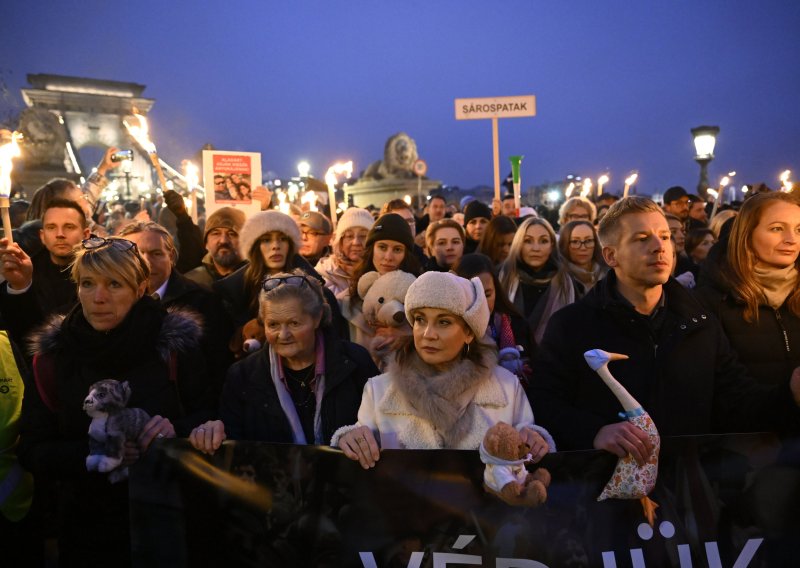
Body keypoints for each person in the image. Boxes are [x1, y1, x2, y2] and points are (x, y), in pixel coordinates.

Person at [529, 196, 800, 462]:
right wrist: (594, 431)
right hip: (604, 489)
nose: (659, 247)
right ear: (611, 255)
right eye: (642, 239)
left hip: (688, 488)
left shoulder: (699, 322)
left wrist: (790, 395)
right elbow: (544, 400)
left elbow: (738, 402)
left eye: (665, 236)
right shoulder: (572, 325)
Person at [19, 236, 214, 565]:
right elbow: (32, 449)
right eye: (87, 284)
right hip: (88, 532)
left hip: (168, 522)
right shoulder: (55, 357)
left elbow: (210, 414)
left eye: (114, 284)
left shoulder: (174, 347)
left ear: (139, 289)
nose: (99, 298)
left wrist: (176, 432)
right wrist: (95, 453)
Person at [332, 271, 554, 469]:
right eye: (420, 320)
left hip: (485, 514)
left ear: (469, 332)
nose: (428, 333)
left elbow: (527, 457)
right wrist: (351, 439)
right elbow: (361, 453)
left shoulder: (507, 387)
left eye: (444, 322)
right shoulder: (379, 390)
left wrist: (533, 441)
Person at [189, 271, 378, 451]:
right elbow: (233, 440)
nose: (283, 334)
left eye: (294, 323)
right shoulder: (242, 375)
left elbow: (379, 428)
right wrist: (212, 432)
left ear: (317, 317)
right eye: (273, 325)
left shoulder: (355, 362)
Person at [118, 221, 234, 396]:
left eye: (156, 253)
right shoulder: (107, 302)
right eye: (136, 254)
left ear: (170, 256)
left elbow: (218, 368)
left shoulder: (203, 301)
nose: (146, 262)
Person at [695, 192, 800, 386]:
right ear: (747, 233)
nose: (791, 239)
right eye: (777, 228)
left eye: (799, 229)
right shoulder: (712, 301)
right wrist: (789, 398)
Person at [0, 198, 90, 344]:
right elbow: (21, 333)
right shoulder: (27, 271)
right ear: (42, 236)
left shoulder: (100, 271)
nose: (60, 234)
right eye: (51, 227)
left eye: (69, 227)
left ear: (86, 234)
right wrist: (20, 286)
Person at [498, 217, 579, 350]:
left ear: (552, 245)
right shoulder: (503, 277)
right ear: (519, 244)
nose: (536, 248)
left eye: (543, 241)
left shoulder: (566, 283)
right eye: (528, 241)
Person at [342, 213, 421, 348]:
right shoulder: (346, 301)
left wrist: (409, 337)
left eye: (397, 249)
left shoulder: (419, 295)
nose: (388, 257)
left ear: (406, 255)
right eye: (382, 247)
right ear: (372, 249)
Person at [454, 253, 532, 381]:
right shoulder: (450, 330)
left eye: (487, 294)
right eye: (473, 293)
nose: (482, 302)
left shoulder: (517, 325)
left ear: (496, 290)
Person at [315, 207, 374, 296]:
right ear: (340, 241)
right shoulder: (323, 275)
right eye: (349, 236)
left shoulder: (379, 271)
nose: (356, 242)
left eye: (363, 236)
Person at [184, 206, 248, 288]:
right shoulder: (191, 283)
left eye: (232, 234)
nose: (223, 241)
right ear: (206, 243)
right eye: (216, 233)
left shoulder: (257, 280)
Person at [558, 220, 608, 291]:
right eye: (575, 241)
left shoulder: (610, 273)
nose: (583, 248)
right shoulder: (558, 278)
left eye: (588, 241)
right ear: (565, 244)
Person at [379, 198, 427, 264]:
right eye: (400, 221)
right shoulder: (380, 261)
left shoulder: (424, 259)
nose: (408, 226)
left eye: (410, 221)